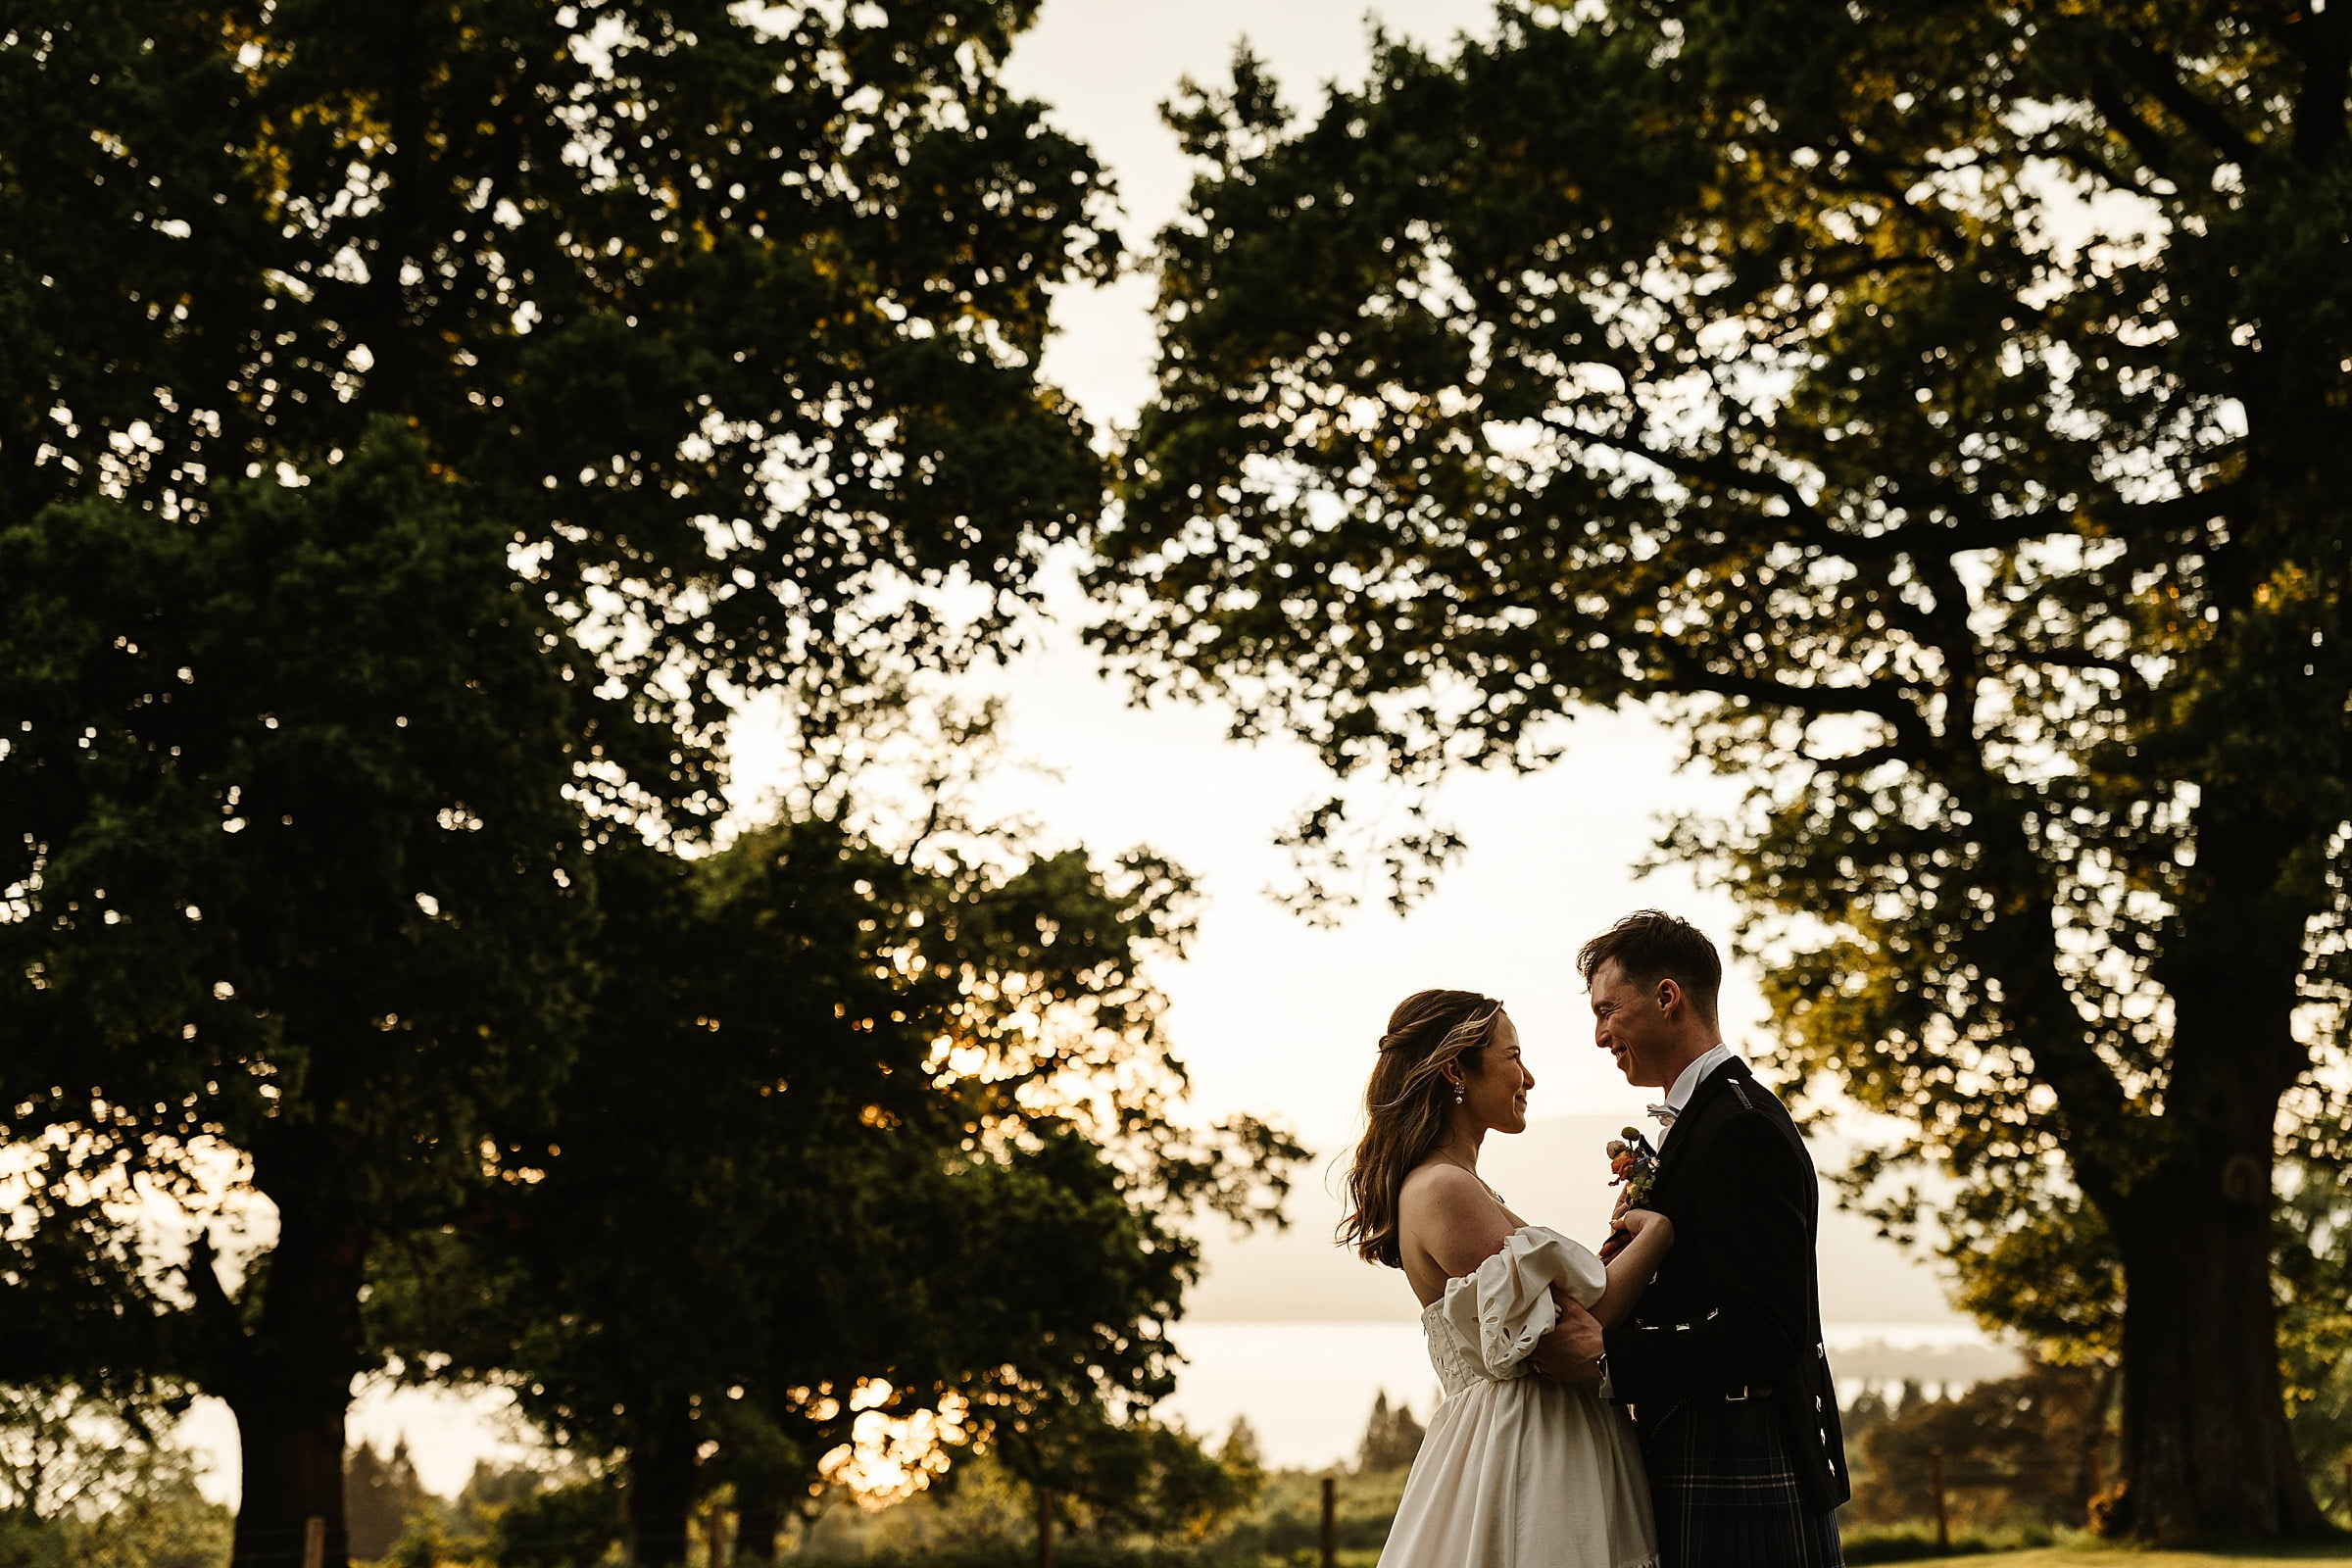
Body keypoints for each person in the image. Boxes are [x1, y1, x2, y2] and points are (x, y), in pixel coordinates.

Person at [1342, 988, 1667, 1568]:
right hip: (1526, 1453)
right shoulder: (1444, 1189)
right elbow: (1585, 1322)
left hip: (1540, 1436)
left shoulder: (1462, 1186)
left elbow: (1564, 1297)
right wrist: (1662, 1232)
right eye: (1513, 1057)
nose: (1530, 1078)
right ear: (1455, 1070)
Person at [1582, 910, 1849, 1568]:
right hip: (1697, 1440)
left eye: (1608, 1010)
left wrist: (1607, 1356)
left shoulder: (1740, 1127)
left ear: (1667, 996)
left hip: (1735, 1443)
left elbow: (1766, 1330)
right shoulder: (1709, 1118)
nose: (1599, 1036)